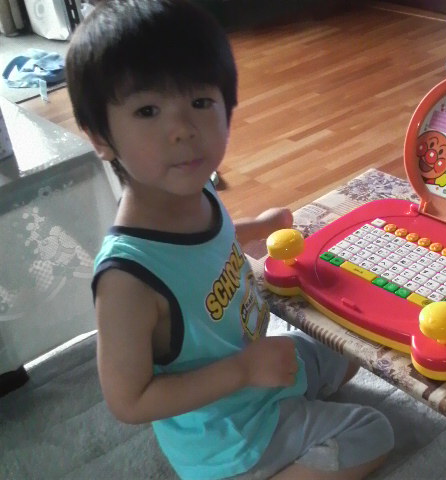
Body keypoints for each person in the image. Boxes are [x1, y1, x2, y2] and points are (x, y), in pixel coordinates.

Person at [65, 1, 394, 479]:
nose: (183, 130)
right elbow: (128, 400)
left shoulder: (193, 190)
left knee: (348, 349)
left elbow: (208, 242)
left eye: (200, 103)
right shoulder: (127, 280)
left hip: (255, 368)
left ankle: (294, 404)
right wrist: (242, 371)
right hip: (228, 433)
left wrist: (258, 227)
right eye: (148, 110)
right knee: (373, 432)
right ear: (100, 137)